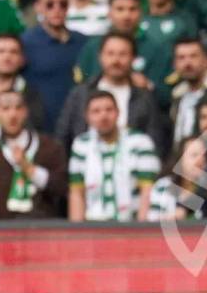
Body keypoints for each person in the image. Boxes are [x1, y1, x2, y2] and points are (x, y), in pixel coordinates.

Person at [59, 32, 170, 156]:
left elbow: (155, 142)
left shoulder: (145, 98)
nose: (116, 60)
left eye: (123, 54)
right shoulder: (80, 94)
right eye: (110, 53)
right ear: (100, 57)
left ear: (133, 58)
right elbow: (63, 136)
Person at [0, 89, 66, 222]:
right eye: (5, 108)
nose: (12, 114)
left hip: (41, 226)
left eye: (18, 108)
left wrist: (30, 169)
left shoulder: (49, 147)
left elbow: (62, 186)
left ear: (26, 111)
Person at [67, 90, 161, 222]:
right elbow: (76, 192)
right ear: (87, 117)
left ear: (118, 112)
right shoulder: (80, 145)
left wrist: (142, 229)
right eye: (96, 111)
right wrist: (77, 231)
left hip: (131, 224)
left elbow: (148, 190)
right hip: (93, 224)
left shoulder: (140, 142)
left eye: (109, 110)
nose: (103, 116)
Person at [21, 0, 88, 133]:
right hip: (42, 127)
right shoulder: (25, 43)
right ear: (38, 7)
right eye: (49, 4)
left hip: (79, 125)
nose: (57, 9)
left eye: (63, 4)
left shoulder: (83, 42)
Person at [147, 134, 206, 221]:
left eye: (204, 155)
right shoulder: (163, 186)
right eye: (194, 155)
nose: (200, 160)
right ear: (180, 159)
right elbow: (152, 221)